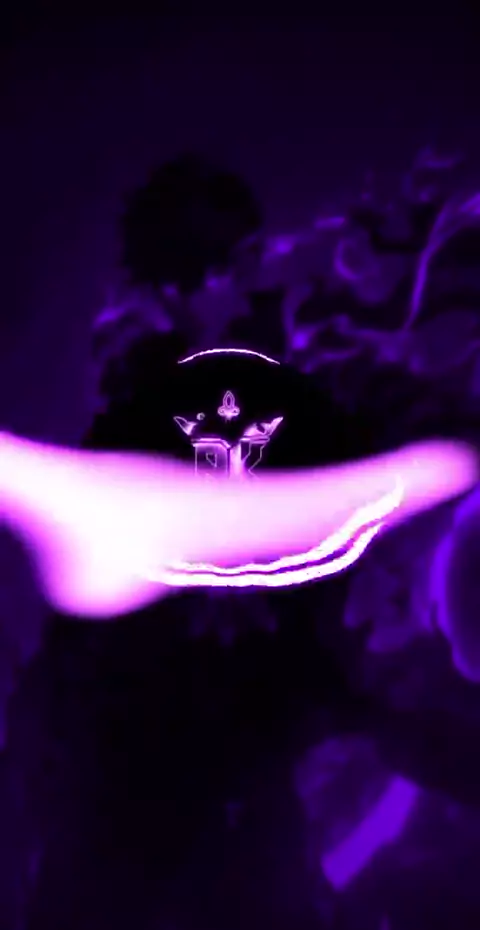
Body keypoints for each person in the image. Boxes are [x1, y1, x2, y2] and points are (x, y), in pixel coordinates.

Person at [2, 156, 480, 930]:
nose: (258, 277)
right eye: (240, 263)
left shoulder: (218, 391)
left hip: (207, 769)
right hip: (163, 770)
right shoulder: (175, 404)